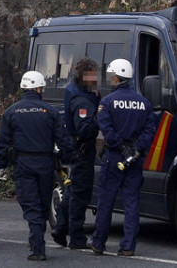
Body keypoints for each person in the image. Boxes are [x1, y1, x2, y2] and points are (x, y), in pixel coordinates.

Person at [0, 71, 77, 261]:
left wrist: (2, 166)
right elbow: (63, 140)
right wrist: (67, 160)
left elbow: (3, 143)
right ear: (40, 88)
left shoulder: (11, 112)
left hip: (23, 163)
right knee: (42, 203)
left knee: (30, 204)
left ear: (24, 88)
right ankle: (38, 243)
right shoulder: (50, 111)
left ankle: (37, 247)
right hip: (45, 163)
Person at [90, 59, 157, 257]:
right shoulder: (143, 103)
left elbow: (107, 130)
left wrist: (121, 147)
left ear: (117, 77)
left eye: (111, 76)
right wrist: (135, 149)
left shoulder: (107, 102)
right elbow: (149, 130)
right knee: (131, 203)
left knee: (106, 202)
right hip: (134, 159)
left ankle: (98, 243)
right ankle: (128, 245)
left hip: (114, 157)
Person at [52, 58, 101, 249]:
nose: (95, 78)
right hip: (82, 150)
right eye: (92, 75)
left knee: (72, 191)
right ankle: (77, 236)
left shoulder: (76, 91)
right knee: (80, 194)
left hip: (75, 149)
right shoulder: (81, 99)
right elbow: (85, 129)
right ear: (83, 76)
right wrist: (98, 117)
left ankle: (61, 227)